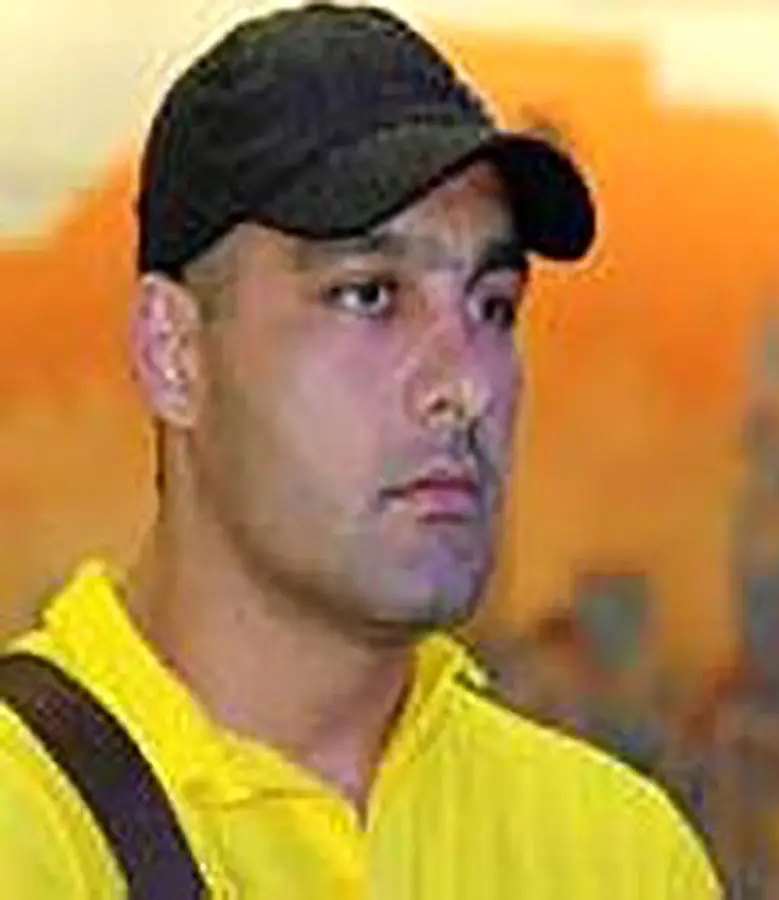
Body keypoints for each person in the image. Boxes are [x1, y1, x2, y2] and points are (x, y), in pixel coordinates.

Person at [0, 5, 721, 897]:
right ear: (175, 352)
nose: (466, 386)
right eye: (370, 295)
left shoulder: (616, 854)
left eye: (493, 306)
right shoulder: (28, 823)